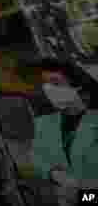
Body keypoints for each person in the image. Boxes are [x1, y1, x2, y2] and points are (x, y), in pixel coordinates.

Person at [31, 58, 98, 205]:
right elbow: (37, 158)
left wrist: (83, 197)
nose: (49, 89)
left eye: (55, 83)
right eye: (45, 84)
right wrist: (55, 174)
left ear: (77, 87)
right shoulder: (45, 123)